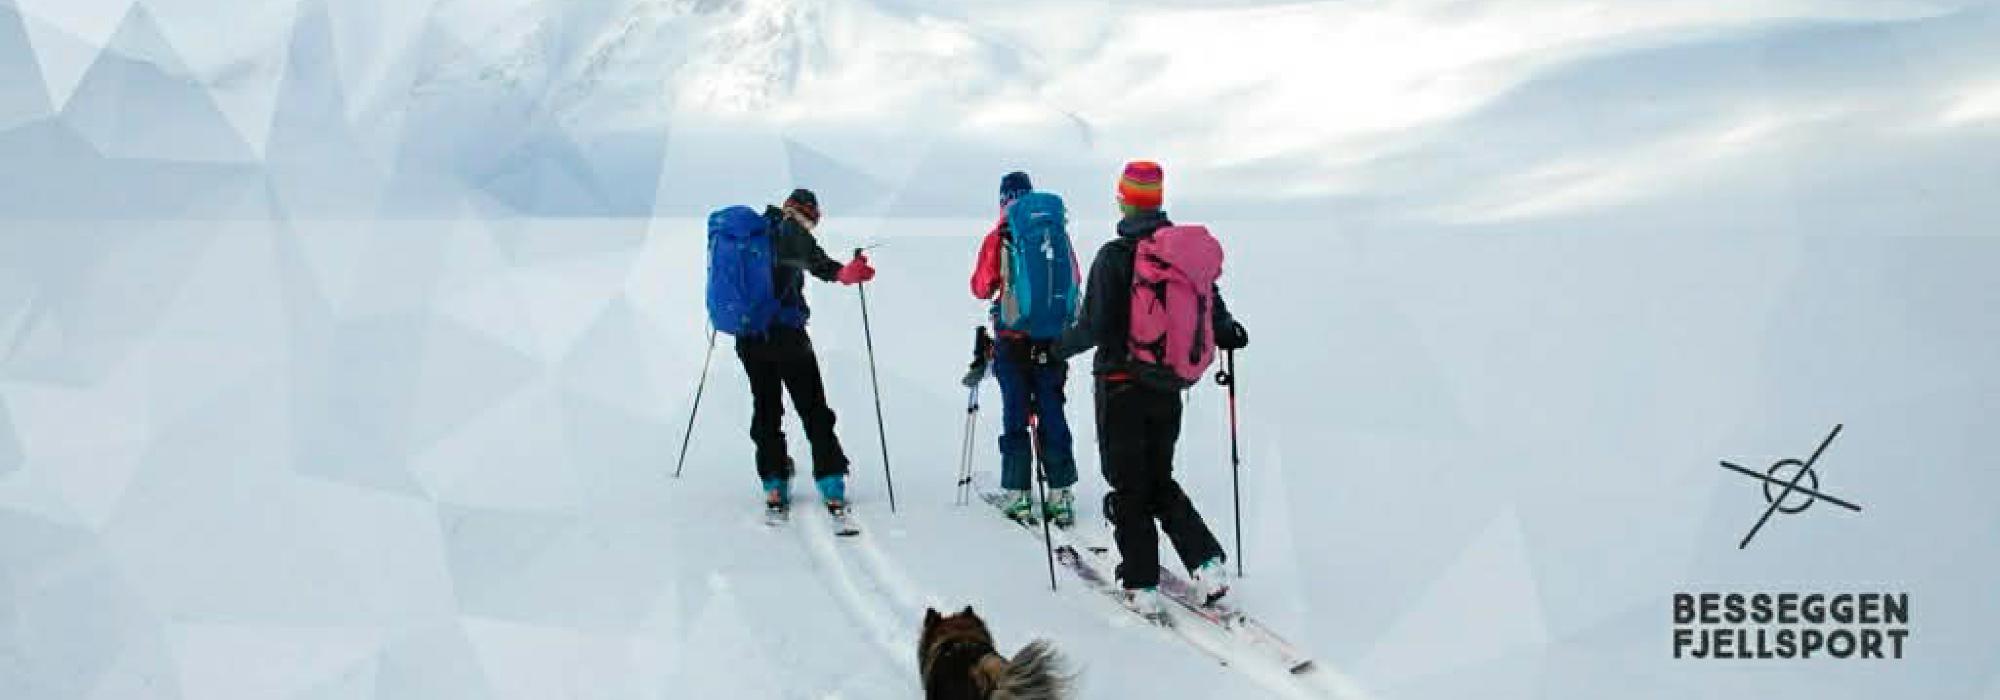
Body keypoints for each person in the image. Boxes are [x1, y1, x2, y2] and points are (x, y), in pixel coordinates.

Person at [1056, 161, 1249, 618]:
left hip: (1120, 387)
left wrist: (1050, 350)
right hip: (1166, 386)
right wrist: (1228, 331)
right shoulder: (1182, 254)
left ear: (1124, 199)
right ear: (1158, 200)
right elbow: (1211, 309)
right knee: (1158, 478)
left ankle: (1141, 583)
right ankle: (1207, 562)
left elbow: (1093, 328)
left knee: (1127, 486)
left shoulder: (1113, 256)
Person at [738, 189, 876, 520]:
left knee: (766, 407)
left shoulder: (751, 233)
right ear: (808, 213)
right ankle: (831, 483)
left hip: (749, 337)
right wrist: (849, 273)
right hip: (788, 338)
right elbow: (823, 267)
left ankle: (773, 482)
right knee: (813, 407)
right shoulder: (791, 231)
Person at [967, 171, 1081, 527]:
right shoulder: (1055, 233)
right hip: (1053, 340)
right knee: (1052, 409)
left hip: (1012, 340)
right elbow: (1075, 281)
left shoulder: (999, 235)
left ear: (1003, 201)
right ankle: (1060, 493)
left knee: (1015, 411)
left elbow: (981, 287)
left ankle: (1018, 493)